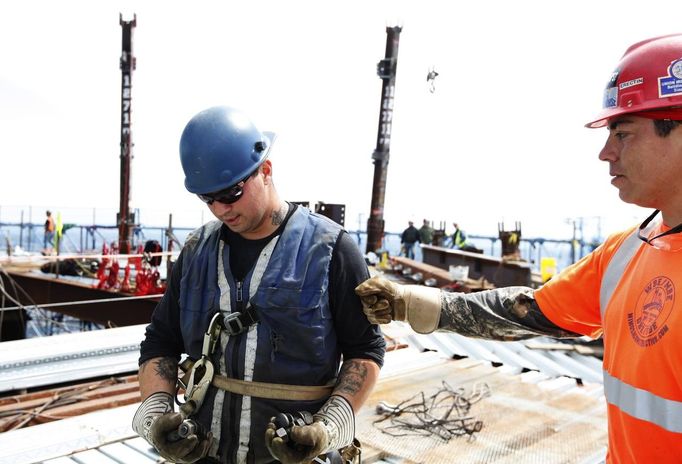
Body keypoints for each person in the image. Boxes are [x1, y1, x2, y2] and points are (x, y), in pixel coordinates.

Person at [355, 34, 682, 463]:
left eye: (623, 133)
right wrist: (415, 303)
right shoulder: (626, 252)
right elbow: (532, 311)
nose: (606, 153)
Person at [132, 106, 385, 464]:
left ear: (265, 170)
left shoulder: (331, 251)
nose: (220, 209)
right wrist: (155, 418)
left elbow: (365, 350)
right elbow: (160, 341)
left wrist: (328, 429)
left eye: (231, 193)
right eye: (208, 199)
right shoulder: (194, 253)